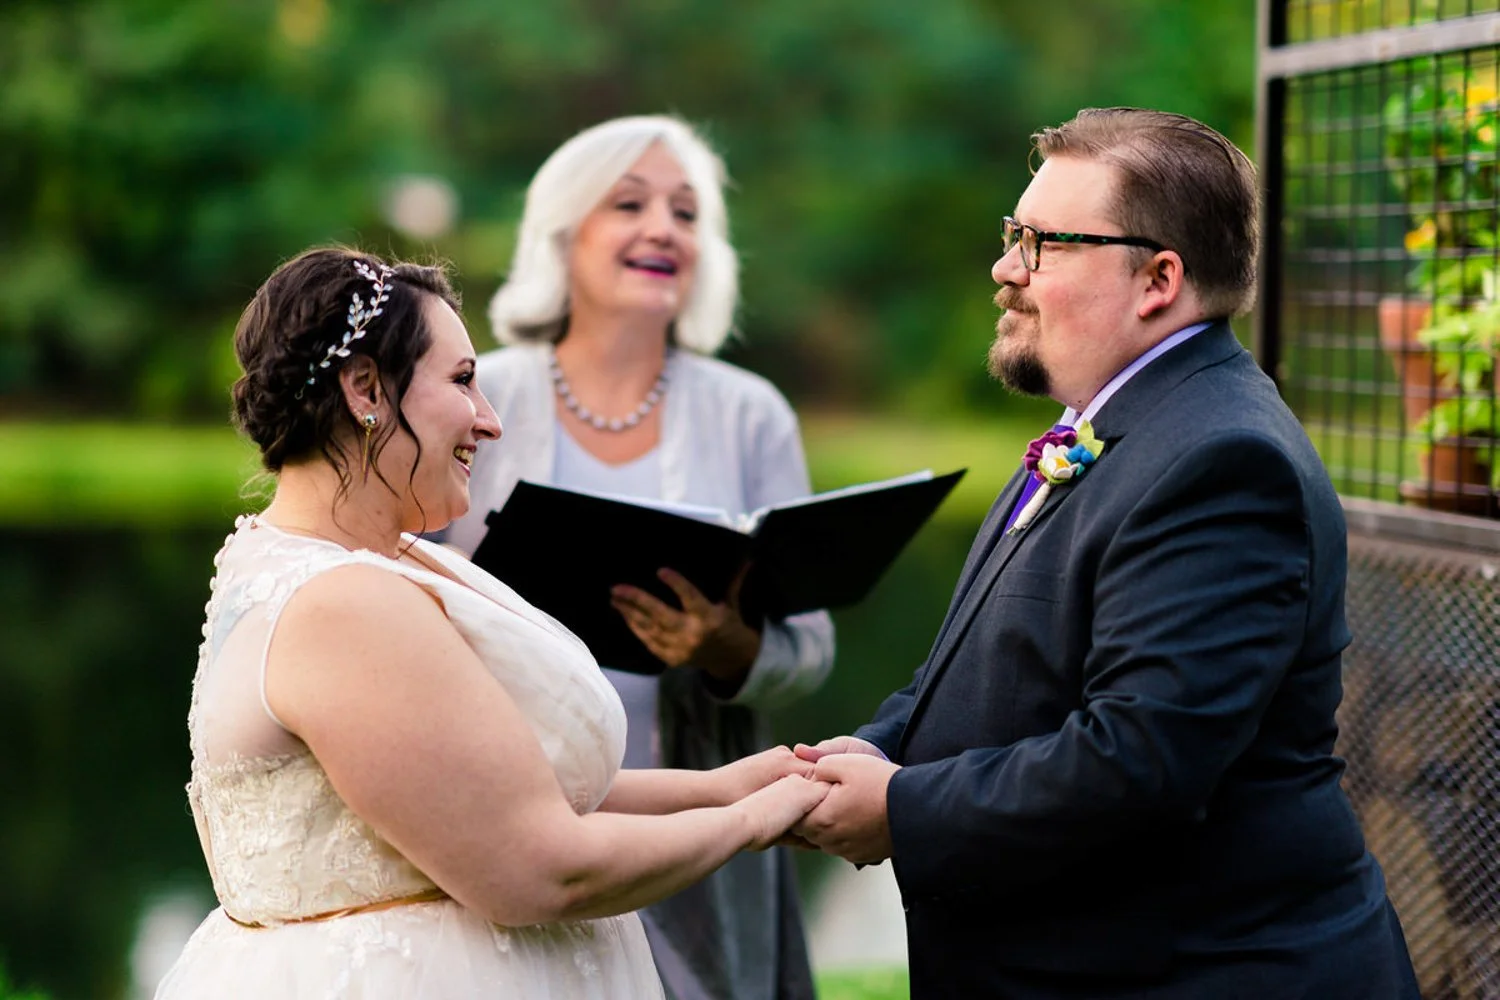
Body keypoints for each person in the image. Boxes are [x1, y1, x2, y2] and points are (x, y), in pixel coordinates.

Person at [792, 108, 1422, 999]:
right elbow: (991, 666)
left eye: (1042, 244)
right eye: (1014, 235)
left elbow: (1137, 760)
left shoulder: (1224, 460)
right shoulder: (1106, 424)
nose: (1006, 268)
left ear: (1157, 279)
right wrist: (862, 752)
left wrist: (899, 808)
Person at [154, 246, 828, 999]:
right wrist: (761, 820)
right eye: (464, 382)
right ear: (365, 388)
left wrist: (730, 787)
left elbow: (510, 794)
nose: (491, 421)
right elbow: (542, 869)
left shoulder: (386, 560)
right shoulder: (343, 604)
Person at [443, 114, 833, 1000]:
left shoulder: (752, 412)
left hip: (703, 815)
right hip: (511, 806)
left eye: (687, 214)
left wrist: (727, 647)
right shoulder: (477, 391)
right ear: (562, 234)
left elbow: (812, 647)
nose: (664, 227)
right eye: (630, 204)